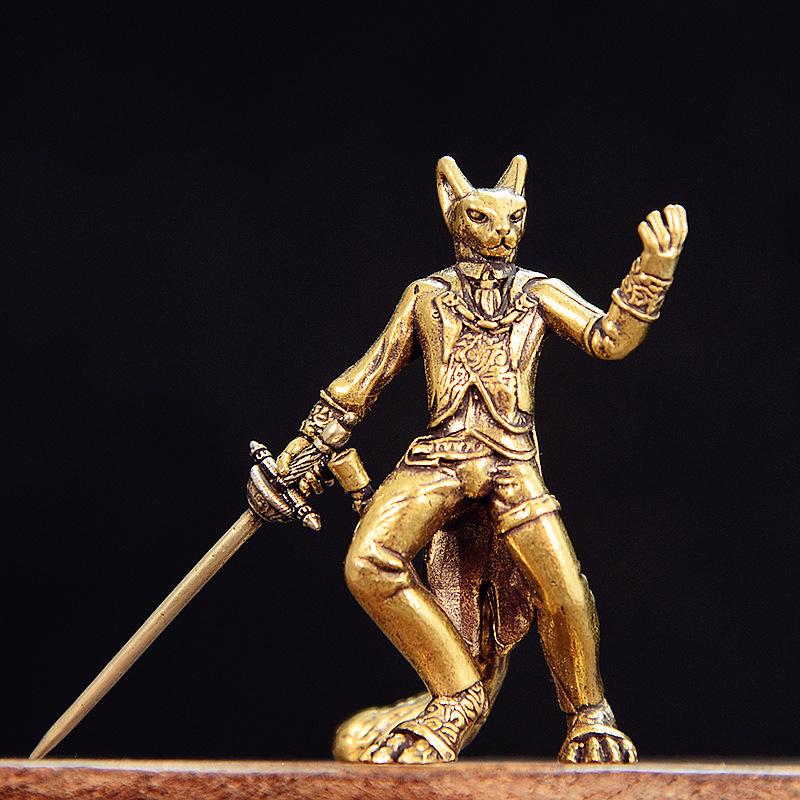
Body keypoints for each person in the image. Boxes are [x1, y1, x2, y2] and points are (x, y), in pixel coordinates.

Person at [248, 155, 687, 764]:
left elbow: (608, 339)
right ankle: (455, 694)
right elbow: (365, 379)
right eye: (483, 218)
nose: (502, 231)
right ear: (453, 214)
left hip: (512, 463)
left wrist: (652, 273)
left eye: (515, 218)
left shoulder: (539, 293)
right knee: (369, 562)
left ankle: (589, 716)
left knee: (564, 588)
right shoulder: (427, 297)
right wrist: (309, 445)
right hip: (439, 459)